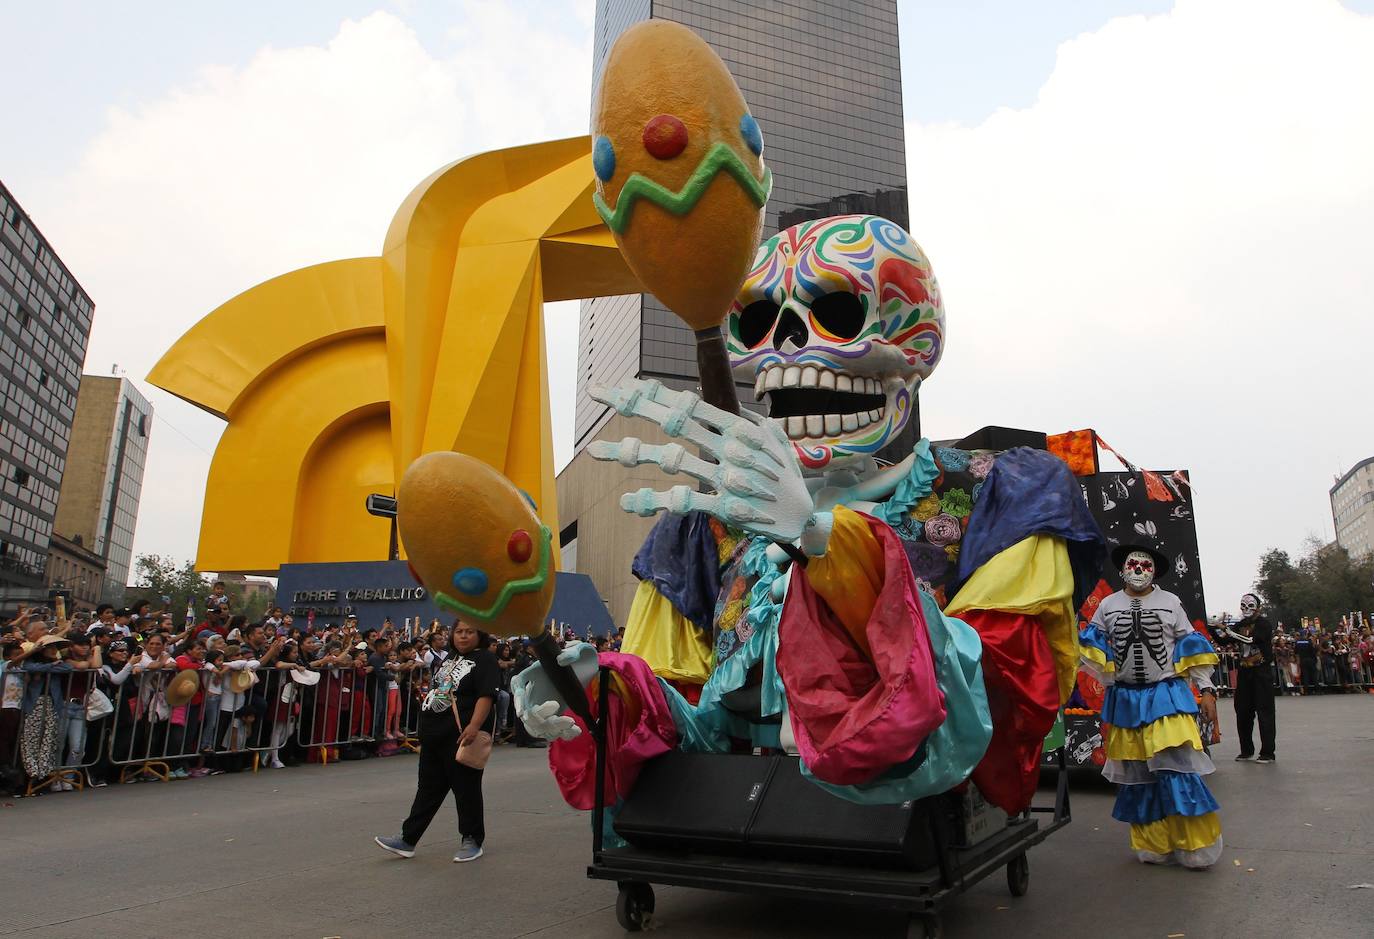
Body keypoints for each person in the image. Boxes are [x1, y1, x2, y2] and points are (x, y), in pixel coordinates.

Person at [1079, 544, 1222, 869]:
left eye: (1146, 564)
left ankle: (1194, 846)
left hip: (1166, 696)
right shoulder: (1108, 604)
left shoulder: (1170, 603)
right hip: (1127, 700)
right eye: (1134, 564)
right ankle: (1154, 845)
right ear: (1123, 568)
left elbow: (1190, 646)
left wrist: (1207, 690)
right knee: (1138, 776)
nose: (1139, 569)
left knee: (1177, 769)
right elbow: (1094, 647)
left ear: (1154, 570)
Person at [376, 620, 499, 863]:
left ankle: (472, 839)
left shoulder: (485, 659)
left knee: (466, 789)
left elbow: (486, 695)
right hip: (434, 734)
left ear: (479, 634)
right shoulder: (450, 657)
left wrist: (474, 726)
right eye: (459, 632)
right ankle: (408, 839)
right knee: (428, 789)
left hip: (460, 735)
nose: (463, 637)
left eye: (469, 632)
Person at [1221, 594, 1276, 763]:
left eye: (1249, 605)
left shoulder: (1263, 624)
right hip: (1245, 671)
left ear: (1257, 607)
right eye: (1243, 605)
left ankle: (1267, 752)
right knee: (1243, 711)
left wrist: (1231, 633)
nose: (1245, 609)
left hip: (1261, 671)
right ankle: (1246, 749)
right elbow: (1224, 642)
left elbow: (1253, 640)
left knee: (1264, 711)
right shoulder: (1240, 625)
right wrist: (1212, 627)